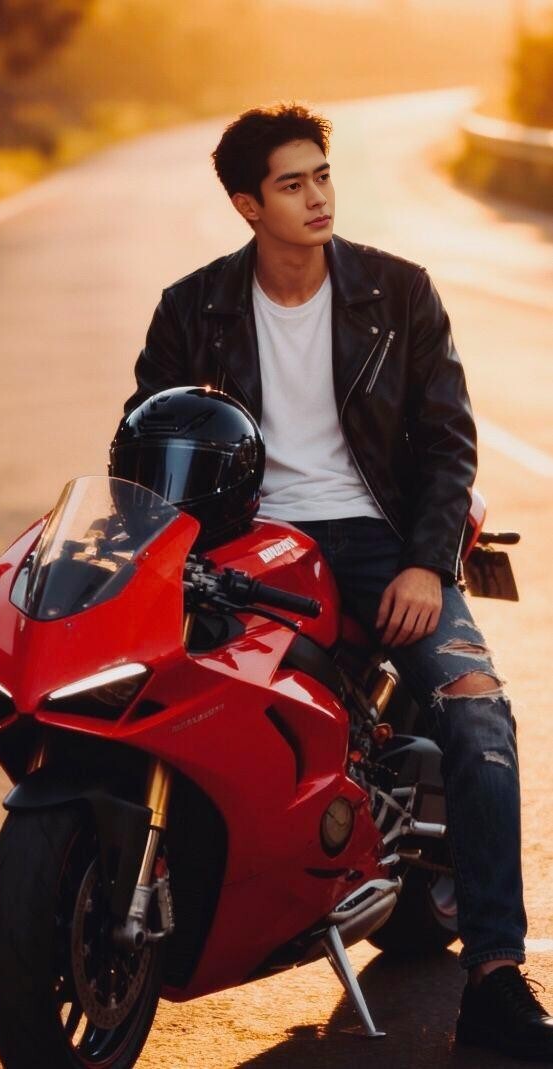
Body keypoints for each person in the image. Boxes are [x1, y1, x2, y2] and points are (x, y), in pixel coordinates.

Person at [123, 102, 552, 1060]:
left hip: (373, 535)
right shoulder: (191, 308)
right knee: (153, 688)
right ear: (248, 205)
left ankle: (494, 973)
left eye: (322, 175)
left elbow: (447, 443)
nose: (317, 197)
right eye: (291, 184)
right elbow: (146, 448)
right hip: (241, 541)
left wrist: (424, 562)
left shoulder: (396, 291)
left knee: (476, 710)